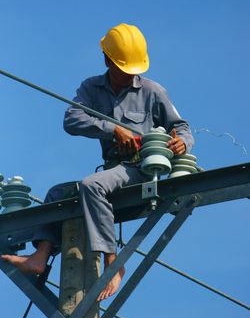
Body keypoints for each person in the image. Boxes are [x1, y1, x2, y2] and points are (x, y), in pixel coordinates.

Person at [1, 23, 194, 301]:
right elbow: (72, 119)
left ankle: (113, 264)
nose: (131, 74)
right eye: (124, 68)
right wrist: (111, 128)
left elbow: (183, 126)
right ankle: (40, 257)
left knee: (91, 186)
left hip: (141, 170)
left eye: (134, 69)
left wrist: (182, 142)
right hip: (114, 170)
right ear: (107, 60)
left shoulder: (152, 91)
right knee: (58, 193)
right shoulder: (92, 88)